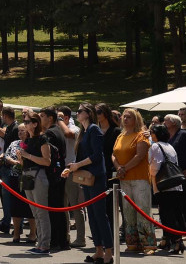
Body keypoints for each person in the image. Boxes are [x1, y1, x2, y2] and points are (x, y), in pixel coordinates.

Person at [65, 103, 113, 264]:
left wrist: (77, 166)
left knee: (100, 215)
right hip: (86, 177)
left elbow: (97, 155)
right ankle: (98, 250)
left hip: (96, 177)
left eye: (79, 111)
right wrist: (71, 168)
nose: (76, 114)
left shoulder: (93, 129)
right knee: (92, 215)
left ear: (88, 113)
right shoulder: (84, 132)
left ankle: (108, 251)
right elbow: (81, 156)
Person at [113, 108, 155, 254]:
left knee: (142, 210)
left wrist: (124, 168)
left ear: (136, 119)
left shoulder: (141, 136)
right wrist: (118, 167)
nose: (125, 119)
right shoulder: (120, 136)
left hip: (140, 179)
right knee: (128, 211)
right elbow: (113, 155)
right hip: (125, 179)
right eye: (124, 117)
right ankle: (132, 242)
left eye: (129, 117)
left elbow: (139, 156)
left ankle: (148, 244)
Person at [149, 123, 186, 254]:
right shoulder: (169, 146)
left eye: (151, 132)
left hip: (163, 185)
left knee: (167, 214)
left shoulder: (155, 146)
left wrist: (150, 174)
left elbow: (155, 166)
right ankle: (167, 240)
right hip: (175, 184)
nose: (150, 134)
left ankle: (177, 241)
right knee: (175, 213)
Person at [18, 113, 52, 255]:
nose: (25, 124)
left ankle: (45, 244)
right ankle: (39, 242)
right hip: (28, 175)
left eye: (27, 122)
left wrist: (28, 156)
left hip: (38, 176)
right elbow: (25, 162)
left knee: (41, 212)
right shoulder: (29, 140)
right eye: (24, 122)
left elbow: (47, 161)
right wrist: (21, 158)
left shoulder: (42, 139)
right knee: (34, 212)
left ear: (35, 124)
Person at [163, 113, 186, 246]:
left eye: (166, 121)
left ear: (174, 123)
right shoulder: (166, 136)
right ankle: (178, 234)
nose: (164, 123)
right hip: (172, 177)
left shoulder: (183, 134)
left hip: (185, 175)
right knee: (176, 207)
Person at [42, 106, 70, 251]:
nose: (41, 119)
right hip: (59, 172)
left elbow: (49, 155)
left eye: (42, 116)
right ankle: (63, 240)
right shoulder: (58, 131)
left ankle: (56, 240)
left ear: (50, 118)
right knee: (58, 207)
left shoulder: (50, 133)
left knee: (54, 208)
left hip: (53, 173)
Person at [58, 106, 86, 248]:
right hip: (60, 170)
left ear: (67, 118)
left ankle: (81, 238)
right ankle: (65, 235)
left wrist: (59, 120)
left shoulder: (74, 128)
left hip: (72, 170)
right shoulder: (58, 128)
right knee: (62, 206)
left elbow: (68, 134)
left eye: (60, 116)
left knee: (75, 205)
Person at [3, 120, 34, 243]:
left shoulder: (32, 143)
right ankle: (16, 234)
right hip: (14, 177)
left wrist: (22, 160)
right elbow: (6, 155)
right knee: (15, 206)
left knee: (29, 207)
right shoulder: (14, 143)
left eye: (23, 130)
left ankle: (32, 234)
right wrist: (13, 161)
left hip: (28, 178)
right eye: (19, 131)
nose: (20, 133)